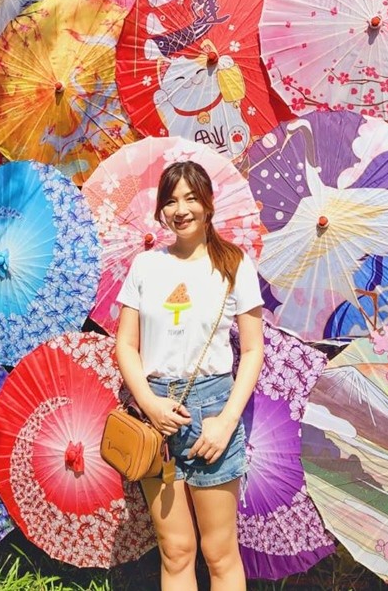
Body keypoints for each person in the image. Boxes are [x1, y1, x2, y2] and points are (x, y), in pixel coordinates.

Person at [115, 160, 264, 591]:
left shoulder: (234, 264)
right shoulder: (146, 266)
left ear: (208, 204)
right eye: (170, 201)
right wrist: (148, 402)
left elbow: (253, 350)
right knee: (176, 550)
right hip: (155, 413)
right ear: (161, 209)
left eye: (190, 198)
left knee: (219, 553)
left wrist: (226, 421)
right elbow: (126, 344)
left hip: (213, 410)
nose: (180, 210)